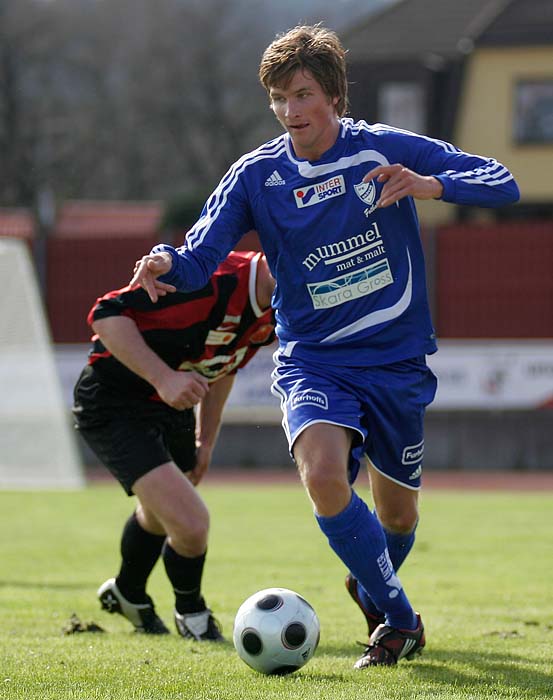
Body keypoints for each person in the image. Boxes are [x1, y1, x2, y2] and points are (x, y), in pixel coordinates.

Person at [130, 25, 520, 666]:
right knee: (323, 477)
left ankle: (370, 579)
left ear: (333, 95)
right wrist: (166, 263)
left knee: (397, 517)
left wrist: (430, 186)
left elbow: (501, 180)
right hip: (314, 360)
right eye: (278, 99)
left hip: (396, 362)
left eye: (302, 94)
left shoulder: (381, 150)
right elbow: (200, 255)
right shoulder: (257, 176)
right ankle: (398, 620)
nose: (290, 112)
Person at [73, 250, 275, 640]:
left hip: (171, 400)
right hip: (116, 400)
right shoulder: (211, 279)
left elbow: (224, 368)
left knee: (163, 510)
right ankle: (192, 613)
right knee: (191, 523)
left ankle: (128, 592)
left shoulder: (283, 306)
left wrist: (207, 440)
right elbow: (106, 314)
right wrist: (163, 378)